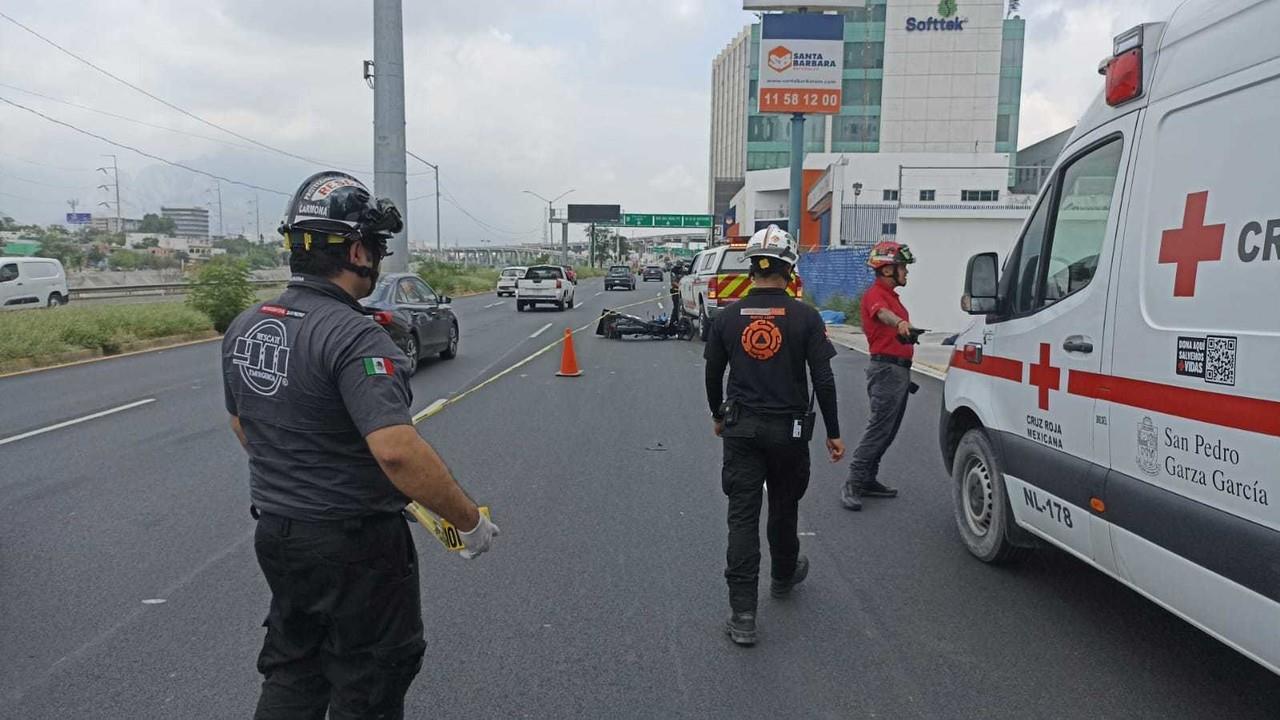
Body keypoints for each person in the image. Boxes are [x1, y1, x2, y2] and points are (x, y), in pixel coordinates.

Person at [221, 171, 499, 719]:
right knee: (369, 678)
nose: (376, 257)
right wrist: (468, 522)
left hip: (279, 534)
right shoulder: (357, 335)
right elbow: (396, 450)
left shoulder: (247, 325)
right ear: (354, 249)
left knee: (294, 669)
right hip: (355, 546)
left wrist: (300, 474)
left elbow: (243, 427)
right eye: (373, 245)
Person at [704, 224, 845, 647]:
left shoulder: (727, 317)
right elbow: (823, 377)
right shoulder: (805, 317)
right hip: (790, 433)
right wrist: (834, 433)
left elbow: (713, 374)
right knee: (784, 507)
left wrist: (717, 415)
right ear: (790, 269)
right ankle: (783, 576)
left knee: (742, 517)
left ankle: (743, 614)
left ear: (751, 270)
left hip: (741, 430)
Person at [841, 241, 919, 511]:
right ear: (887, 270)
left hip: (897, 371)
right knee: (878, 429)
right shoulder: (875, 294)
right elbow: (881, 315)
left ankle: (868, 479)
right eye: (902, 267)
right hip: (886, 371)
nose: (906, 272)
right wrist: (899, 323)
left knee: (889, 430)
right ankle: (853, 481)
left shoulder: (893, 297)